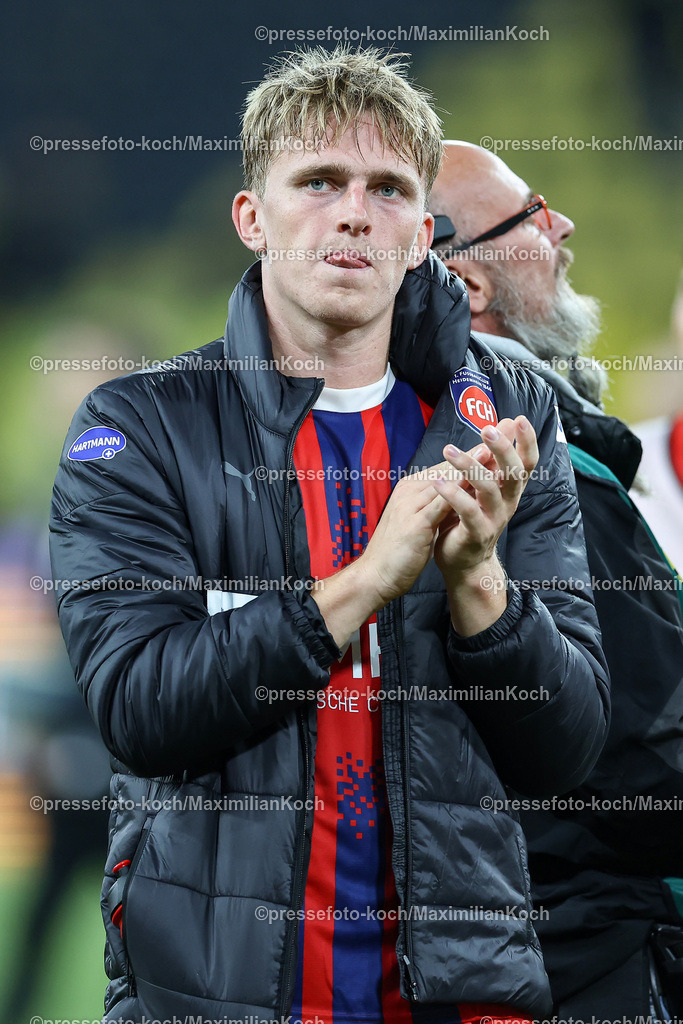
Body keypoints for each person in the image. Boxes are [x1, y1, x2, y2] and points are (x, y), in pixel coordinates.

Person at [49, 51, 609, 1024]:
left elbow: (568, 746)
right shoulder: (139, 425)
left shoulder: (502, 414)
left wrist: (478, 585)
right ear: (251, 216)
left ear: (421, 234)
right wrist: (360, 585)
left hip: (460, 1003)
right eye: (319, 181)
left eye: (387, 188)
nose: (353, 211)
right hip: (214, 997)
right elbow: (139, 708)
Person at [431, 140, 683, 1021]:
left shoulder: (372, 450)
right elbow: (650, 768)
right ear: (468, 288)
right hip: (577, 960)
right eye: (531, 214)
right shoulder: (543, 468)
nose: (561, 224)